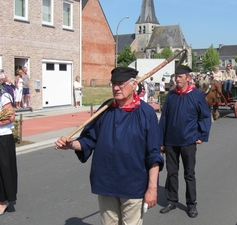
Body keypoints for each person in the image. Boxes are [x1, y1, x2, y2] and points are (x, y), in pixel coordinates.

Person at [55, 67, 164, 225]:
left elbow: (154, 154)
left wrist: (152, 188)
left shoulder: (146, 113)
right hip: (106, 183)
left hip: (133, 184)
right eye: (113, 83)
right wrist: (71, 144)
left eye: (120, 84)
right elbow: (89, 140)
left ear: (134, 85)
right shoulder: (105, 110)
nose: (115, 88)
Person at [159, 64, 211, 218]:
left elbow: (205, 116)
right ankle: (171, 200)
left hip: (188, 140)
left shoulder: (197, 95)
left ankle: (191, 204)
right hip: (170, 141)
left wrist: (201, 135)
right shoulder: (171, 95)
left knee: (189, 174)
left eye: (180, 76)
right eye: (176, 76)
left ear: (188, 78)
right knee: (171, 173)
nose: (177, 79)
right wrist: (160, 140)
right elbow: (164, 118)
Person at [0, 72, 18, 216]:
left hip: (3, 138)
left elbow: (11, 117)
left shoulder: (3, 96)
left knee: (3, 170)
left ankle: (3, 202)